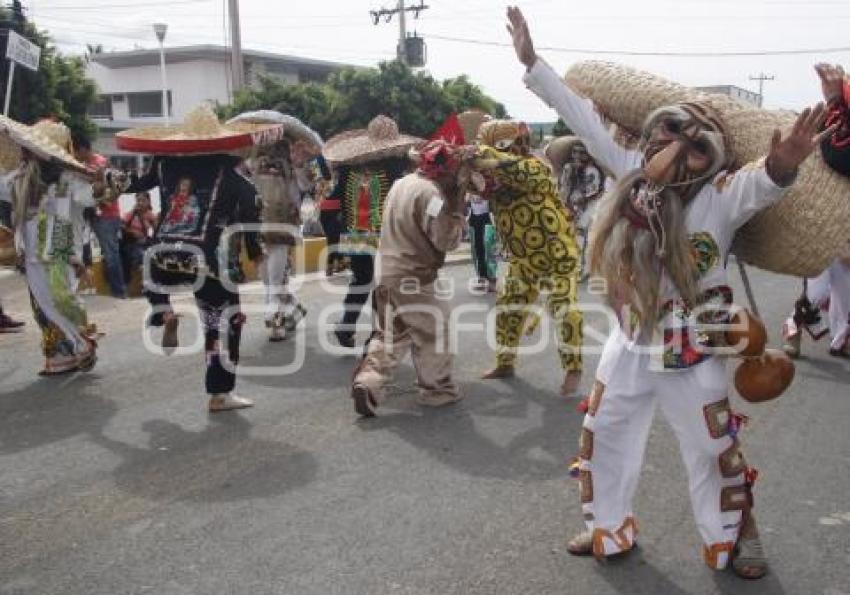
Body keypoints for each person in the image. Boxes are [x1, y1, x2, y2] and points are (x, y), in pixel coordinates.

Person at [507, 5, 829, 579]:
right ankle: (607, 526)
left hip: (695, 352)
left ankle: (729, 540)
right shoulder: (628, 166)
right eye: (672, 130)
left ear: (715, 161)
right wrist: (534, 64)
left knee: (711, 448)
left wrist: (783, 162)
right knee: (604, 434)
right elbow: (581, 116)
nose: (680, 148)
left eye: (698, 145)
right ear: (653, 131)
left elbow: (765, 183)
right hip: (630, 344)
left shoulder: (722, 197)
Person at [119, 105, 277, 412]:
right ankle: (220, 393)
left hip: (161, 252)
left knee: (156, 281)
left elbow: (133, 183)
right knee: (222, 322)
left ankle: (163, 311)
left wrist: (101, 179)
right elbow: (250, 217)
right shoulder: (233, 177)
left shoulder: (163, 165)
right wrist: (256, 253)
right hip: (208, 259)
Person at [350, 140, 472, 416]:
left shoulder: (401, 183)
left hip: (385, 272)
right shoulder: (433, 196)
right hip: (413, 275)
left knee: (392, 334)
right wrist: (456, 209)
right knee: (435, 330)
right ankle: (436, 390)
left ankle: (368, 383)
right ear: (444, 170)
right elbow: (445, 242)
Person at [475, 119, 584, 397]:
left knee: (565, 310)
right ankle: (505, 363)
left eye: (501, 144)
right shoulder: (494, 181)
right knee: (507, 311)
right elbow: (470, 181)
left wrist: (482, 154)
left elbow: (514, 169)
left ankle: (573, 368)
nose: (500, 150)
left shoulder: (535, 168)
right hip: (523, 261)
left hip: (557, 254)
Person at [6, 119, 101, 374]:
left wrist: (103, 186)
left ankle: (81, 340)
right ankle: (81, 343)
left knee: (61, 298)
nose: (28, 151)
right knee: (46, 304)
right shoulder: (20, 177)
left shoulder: (70, 179)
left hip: (60, 250)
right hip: (31, 252)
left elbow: (90, 197)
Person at [323, 115, 422, 349]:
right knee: (383, 286)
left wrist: (334, 242)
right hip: (388, 239)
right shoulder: (397, 171)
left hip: (355, 237)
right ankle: (376, 337)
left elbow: (327, 209)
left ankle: (346, 327)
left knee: (360, 281)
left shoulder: (348, 172)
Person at [782, 63, 850, 359]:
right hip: (826, 215)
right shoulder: (835, 118)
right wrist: (836, 100)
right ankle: (794, 322)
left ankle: (840, 340)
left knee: (847, 297)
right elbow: (839, 156)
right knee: (819, 292)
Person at [74, 136, 126, 298]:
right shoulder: (84, 165)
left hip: (107, 216)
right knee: (87, 250)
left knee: (111, 255)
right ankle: (101, 288)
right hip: (92, 215)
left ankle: (118, 292)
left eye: (76, 151)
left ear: (83, 149)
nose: (75, 155)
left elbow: (113, 189)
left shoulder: (100, 164)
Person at [120, 191, 157, 282]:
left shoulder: (150, 215)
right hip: (131, 242)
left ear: (148, 201)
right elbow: (121, 225)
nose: (140, 203)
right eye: (138, 200)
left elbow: (156, 230)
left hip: (143, 242)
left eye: (143, 200)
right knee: (139, 254)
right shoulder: (131, 213)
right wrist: (130, 232)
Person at [467, 190, 497, 291]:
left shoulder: (488, 181)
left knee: (488, 247)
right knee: (476, 249)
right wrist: (469, 196)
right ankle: (482, 279)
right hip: (473, 218)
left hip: (487, 217)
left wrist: (485, 195)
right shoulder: (469, 183)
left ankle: (492, 280)